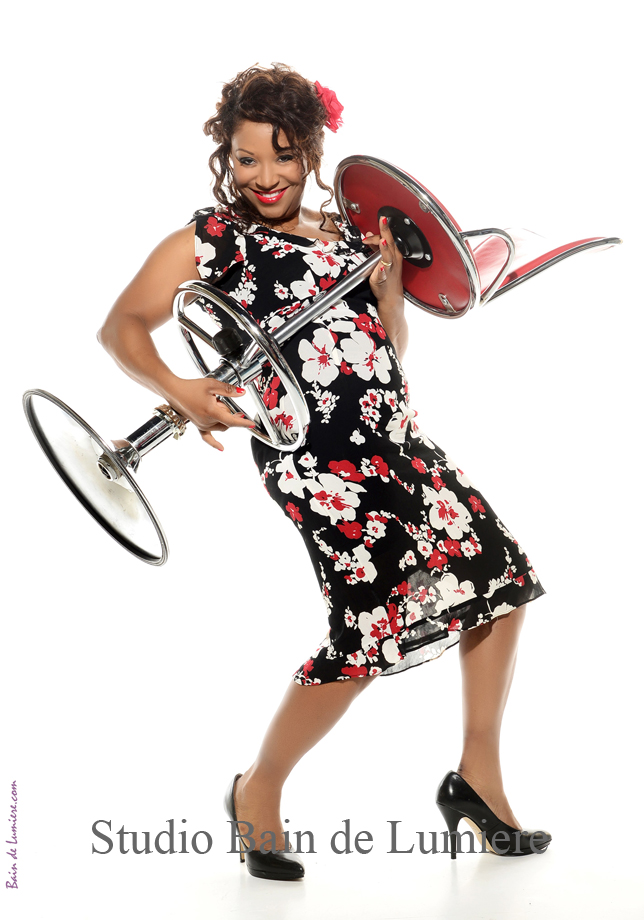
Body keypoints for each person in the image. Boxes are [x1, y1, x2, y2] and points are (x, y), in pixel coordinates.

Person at [97, 63, 551, 880]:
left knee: (502, 577)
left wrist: (390, 295)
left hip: (397, 440)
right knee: (368, 631)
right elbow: (121, 326)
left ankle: (476, 778)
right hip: (316, 461)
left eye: (284, 155)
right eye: (247, 159)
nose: (266, 175)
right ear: (225, 157)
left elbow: (385, 352)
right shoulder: (213, 240)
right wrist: (178, 387)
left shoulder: (349, 235)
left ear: (312, 151)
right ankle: (258, 789)